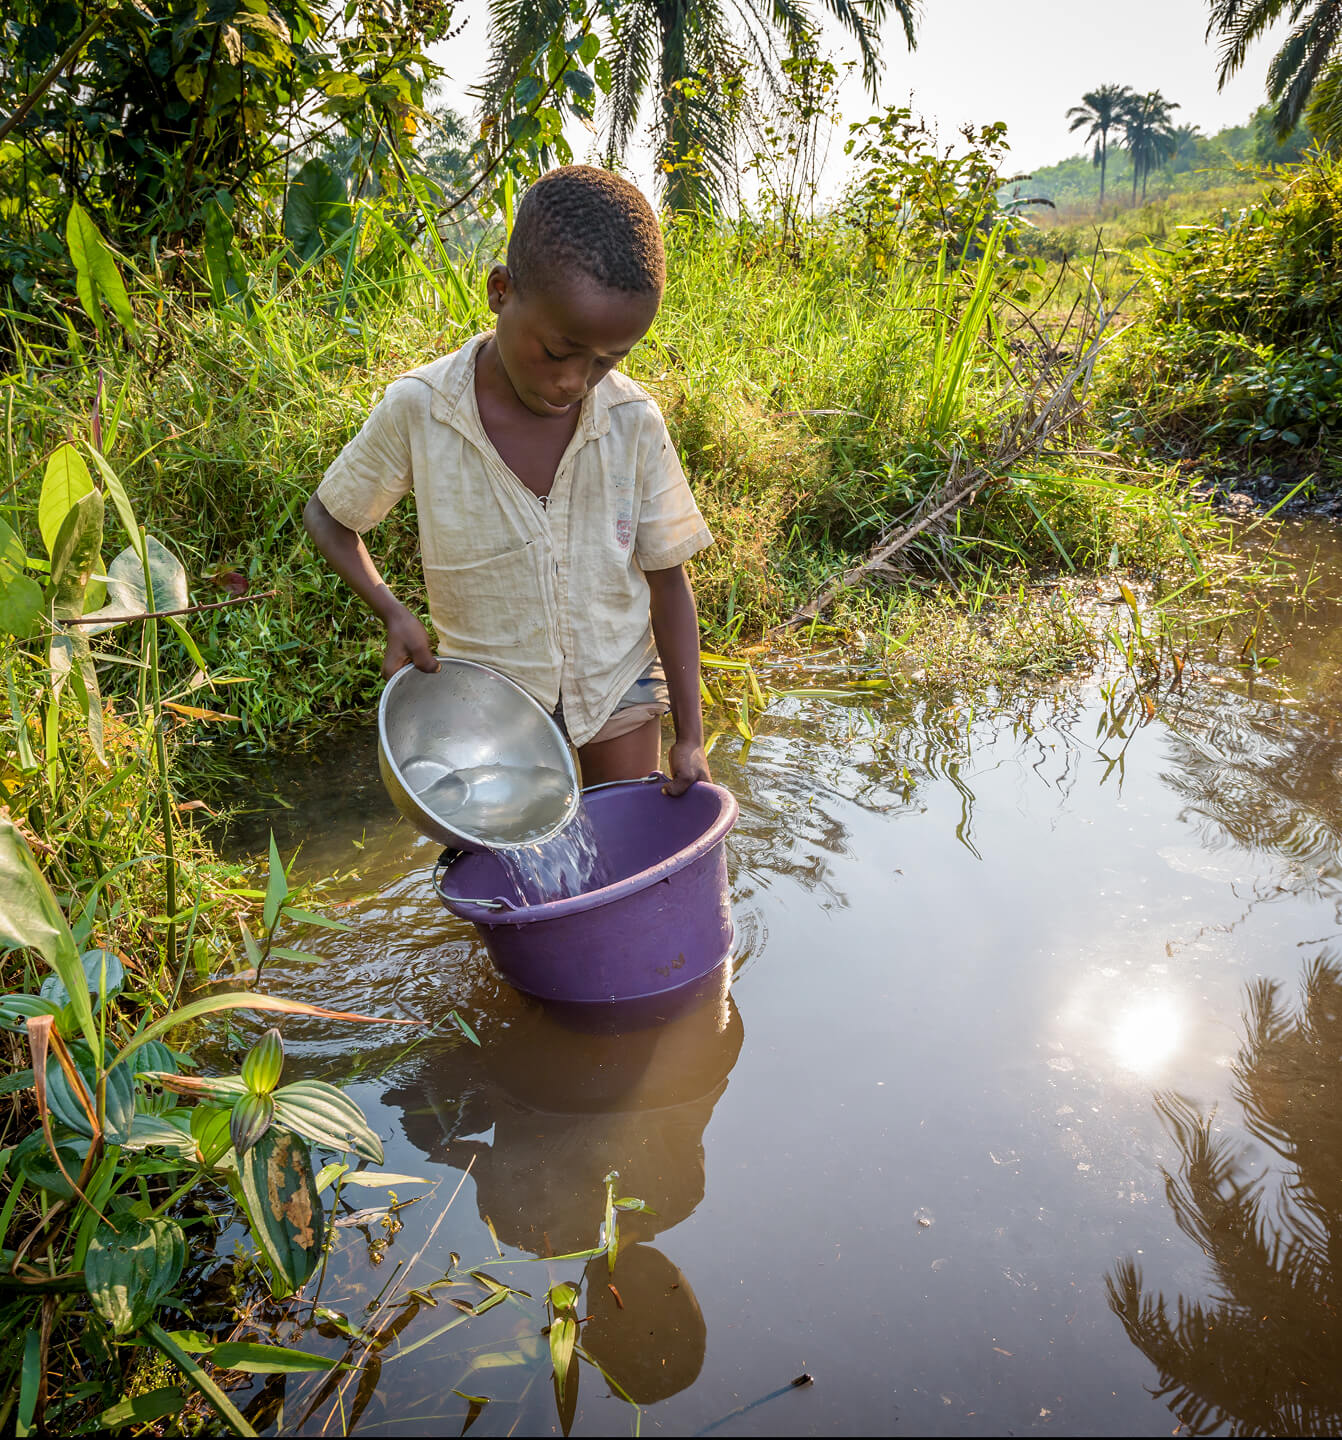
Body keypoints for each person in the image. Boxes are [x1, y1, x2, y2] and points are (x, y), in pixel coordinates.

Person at [303, 165, 712, 794]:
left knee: (621, 850)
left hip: (615, 683)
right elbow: (330, 518)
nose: (576, 381)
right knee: (510, 878)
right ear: (500, 291)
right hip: (489, 700)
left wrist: (690, 736)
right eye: (557, 352)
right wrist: (392, 612)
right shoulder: (424, 409)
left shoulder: (632, 422)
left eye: (609, 360)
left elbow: (668, 582)